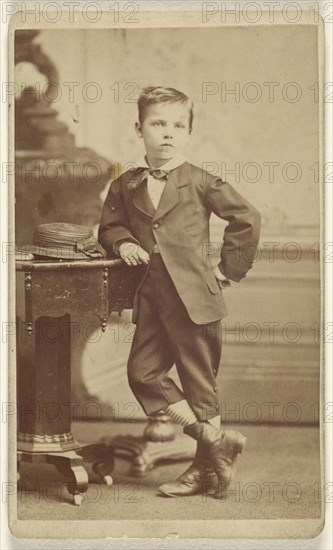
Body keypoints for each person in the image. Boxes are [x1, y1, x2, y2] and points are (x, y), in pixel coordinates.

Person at [98, 86, 261, 498]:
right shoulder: (127, 182)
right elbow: (110, 226)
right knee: (142, 374)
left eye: (177, 125)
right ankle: (214, 441)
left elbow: (247, 217)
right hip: (151, 299)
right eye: (158, 124)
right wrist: (123, 243)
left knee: (201, 389)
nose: (168, 133)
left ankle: (203, 471)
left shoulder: (202, 181)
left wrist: (229, 270)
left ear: (188, 132)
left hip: (196, 301)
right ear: (140, 128)